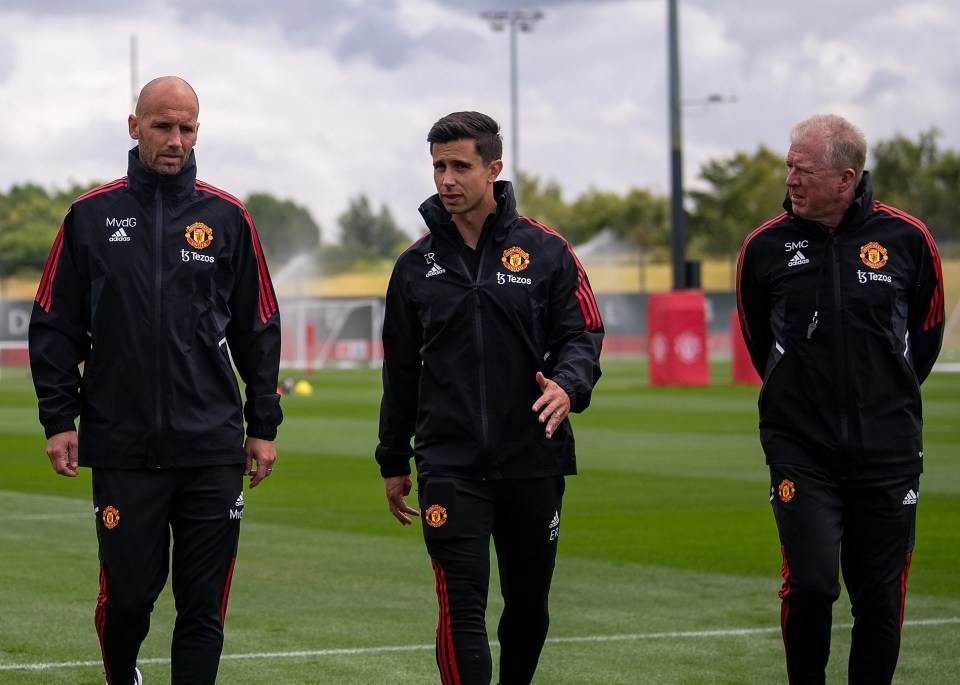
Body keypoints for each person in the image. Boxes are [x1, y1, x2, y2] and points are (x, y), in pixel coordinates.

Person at [29, 76, 283, 685]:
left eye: (187, 128)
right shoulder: (90, 217)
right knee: (129, 600)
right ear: (134, 125)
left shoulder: (228, 218)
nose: (175, 140)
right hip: (122, 445)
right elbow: (53, 324)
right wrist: (59, 420)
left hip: (211, 446)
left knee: (202, 607)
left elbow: (260, 326)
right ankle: (123, 674)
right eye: (162, 126)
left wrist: (263, 426)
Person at [375, 111, 603, 685]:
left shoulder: (549, 252)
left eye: (459, 166)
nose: (446, 179)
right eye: (437, 167)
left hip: (533, 456)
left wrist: (569, 387)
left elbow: (583, 332)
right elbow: (399, 371)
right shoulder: (414, 266)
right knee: (461, 608)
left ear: (494, 168)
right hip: (449, 463)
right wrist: (393, 459)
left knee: (527, 608)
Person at [736, 114, 944, 684]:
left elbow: (924, 337)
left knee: (878, 600)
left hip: (888, 447)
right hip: (801, 446)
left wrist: (885, 394)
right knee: (810, 584)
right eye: (789, 167)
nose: (791, 180)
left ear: (846, 178)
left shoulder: (909, 239)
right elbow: (760, 342)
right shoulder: (763, 247)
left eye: (803, 170)